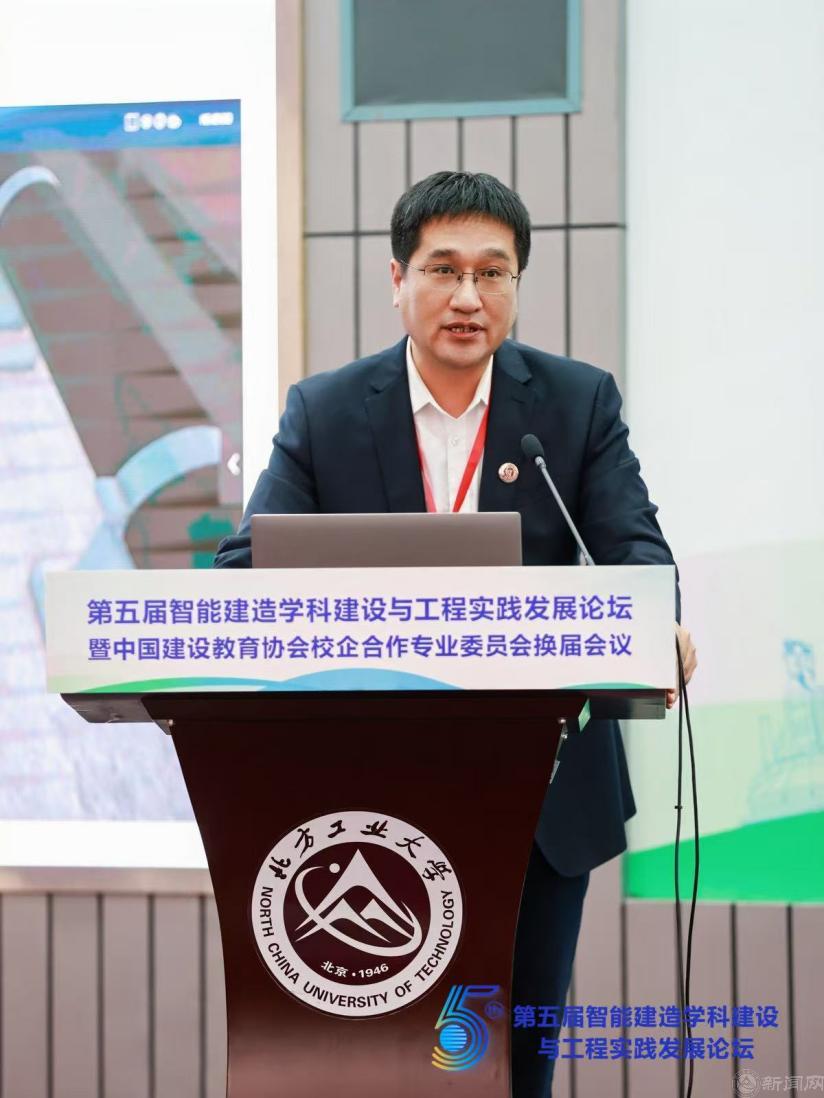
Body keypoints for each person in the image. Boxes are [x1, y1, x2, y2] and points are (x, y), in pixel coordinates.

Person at [214, 171, 697, 1096]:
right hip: (367, 800)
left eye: (493, 272)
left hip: (544, 796)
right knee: (389, 1066)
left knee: (514, 1061)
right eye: (443, 269)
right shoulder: (324, 411)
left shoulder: (576, 403)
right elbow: (245, 572)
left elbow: (636, 549)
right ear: (398, 279)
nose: (468, 297)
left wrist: (655, 619)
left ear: (517, 284)